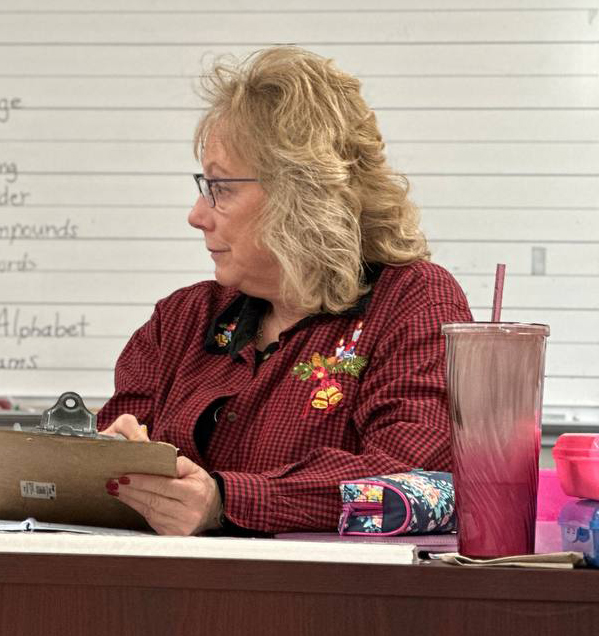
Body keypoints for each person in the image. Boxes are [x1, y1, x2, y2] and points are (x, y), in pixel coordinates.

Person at [98, 46, 473, 535]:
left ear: (301, 196)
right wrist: (103, 459)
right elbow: (103, 473)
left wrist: (225, 500)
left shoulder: (411, 300)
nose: (196, 215)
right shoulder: (183, 318)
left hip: (326, 603)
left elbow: (415, 480)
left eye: (220, 187)